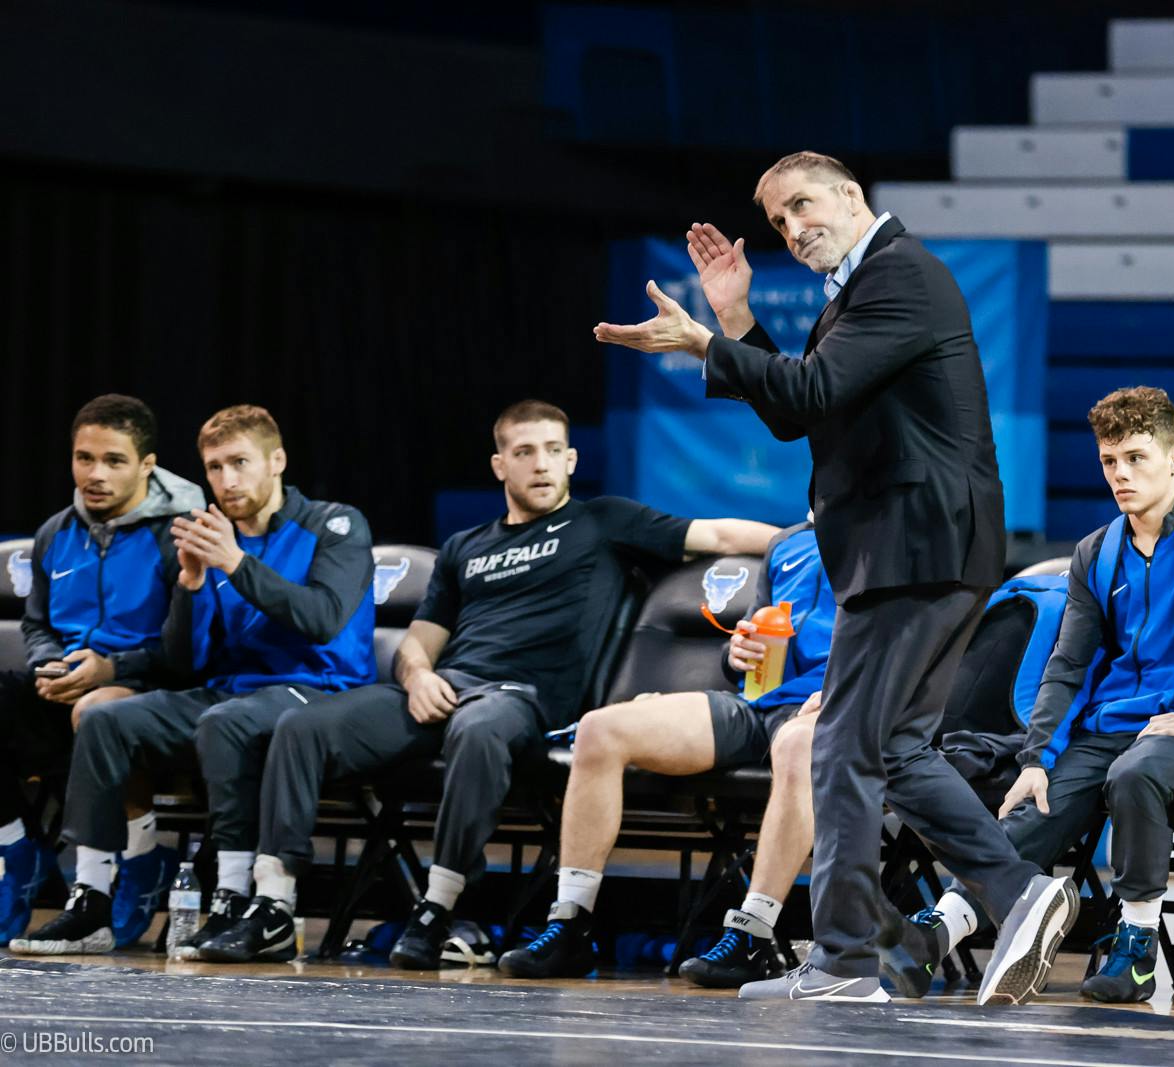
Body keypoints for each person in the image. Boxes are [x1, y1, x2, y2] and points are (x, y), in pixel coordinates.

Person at [596, 151, 1072, 1005]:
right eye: (779, 220)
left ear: (853, 196)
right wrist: (734, 317)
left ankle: (848, 957)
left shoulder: (900, 274)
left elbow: (812, 388)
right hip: (916, 551)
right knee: (890, 748)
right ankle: (1014, 893)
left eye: (804, 204)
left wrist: (703, 341)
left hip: (914, 548)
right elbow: (792, 413)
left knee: (845, 746)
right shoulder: (861, 291)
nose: (793, 226)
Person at [197, 399, 778, 965]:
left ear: (572, 460)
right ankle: (274, 902)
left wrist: (802, 535)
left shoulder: (602, 520)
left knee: (477, 730)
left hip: (521, 700)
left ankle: (438, 909)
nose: (542, 464)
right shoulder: (463, 548)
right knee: (302, 727)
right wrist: (419, 675)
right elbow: (421, 640)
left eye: (554, 450)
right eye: (525, 451)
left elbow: (721, 537)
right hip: (443, 688)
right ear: (500, 465)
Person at [883, 387, 1174, 1003]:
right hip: (1106, 729)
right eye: (1110, 462)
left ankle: (1135, 948)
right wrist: (1036, 758)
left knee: (1135, 774)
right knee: (1038, 802)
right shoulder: (1096, 551)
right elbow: (1068, 665)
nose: (1121, 475)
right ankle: (936, 937)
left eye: (1136, 457)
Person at [11, 404, 376, 957]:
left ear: (276, 461)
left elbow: (321, 618)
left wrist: (233, 564)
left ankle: (229, 898)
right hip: (231, 690)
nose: (227, 481)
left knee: (225, 721)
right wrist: (189, 584)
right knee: (108, 719)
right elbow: (185, 660)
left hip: (317, 690)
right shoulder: (212, 536)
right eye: (214, 467)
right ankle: (91, 899)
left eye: (240, 463)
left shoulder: (333, 523)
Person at [498, 519, 830, 986]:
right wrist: (735, 653)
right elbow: (752, 642)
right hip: (760, 703)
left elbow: (908, 640)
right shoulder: (787, 543)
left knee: (798, 745)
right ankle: (571, 925)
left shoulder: (891, 532)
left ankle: (754, 937)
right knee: (600, 729)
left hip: (830, 708)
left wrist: (848, 689)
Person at [0, 395, 203, 945]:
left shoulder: (181, 532)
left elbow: (187, 652)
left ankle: (139, 862)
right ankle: (17, 849)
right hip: (68, 681)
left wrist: (111, 668)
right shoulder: (54, 533)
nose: (95, 474)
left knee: (102, 713)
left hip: (149, 685)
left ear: (147, 465)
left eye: (114, 460)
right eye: (84, 458)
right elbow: (37, 624)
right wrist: (49, 662)